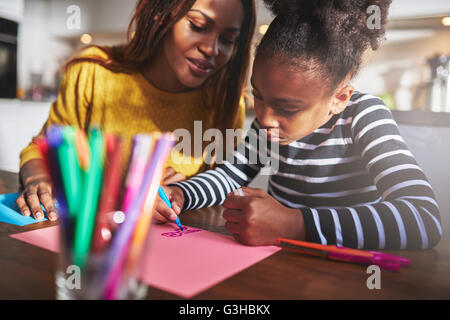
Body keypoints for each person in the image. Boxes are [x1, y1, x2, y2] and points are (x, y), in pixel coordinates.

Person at [156, 0, 442, 250]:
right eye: (258, 95)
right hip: (282, 262)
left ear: (339, 98)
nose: (265, 117)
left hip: (344, 271)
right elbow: (230, 176)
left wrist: (293, 224)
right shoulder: (269, 125)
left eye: (287, 107)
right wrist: (181, 194)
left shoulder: (364, 116)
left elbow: (423, 218)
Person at [16, 0, 256, 222]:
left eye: (228, 39)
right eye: (198, 25)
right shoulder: (94, 73)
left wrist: (188, 190)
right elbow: (40, 148)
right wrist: (39, 178)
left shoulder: (226, 103)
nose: (211, 49)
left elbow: (223, 185)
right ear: (161, 15)